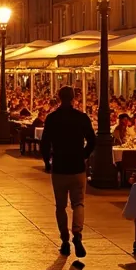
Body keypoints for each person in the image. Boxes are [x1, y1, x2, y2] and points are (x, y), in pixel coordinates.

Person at [40, 86, 97, 257]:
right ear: (74, 98)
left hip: (59, 166)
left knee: (60, 206)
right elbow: (92, 140)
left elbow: (45, 142)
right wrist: (84, 155)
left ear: (58, 97)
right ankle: (77, 234)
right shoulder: (81, 117)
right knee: (78, 203)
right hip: (77, 166)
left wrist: (47, 161)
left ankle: (64, 239)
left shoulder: (52, 118)